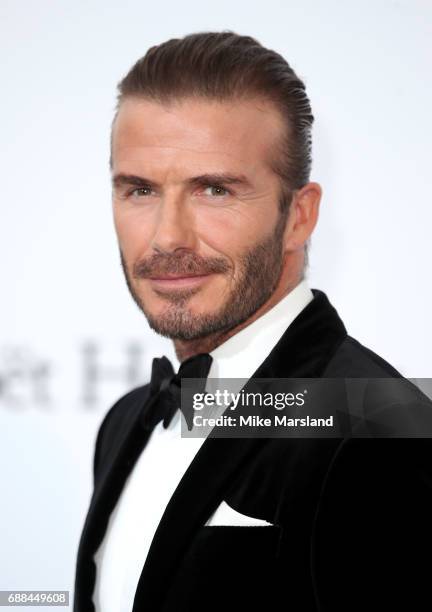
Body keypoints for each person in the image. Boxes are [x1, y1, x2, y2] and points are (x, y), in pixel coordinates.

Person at [73, 31, 432, 611]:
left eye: (214, 189)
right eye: (139, 189)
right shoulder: (126, 423)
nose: (168, 237)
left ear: (299, 215)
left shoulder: (379, 432)